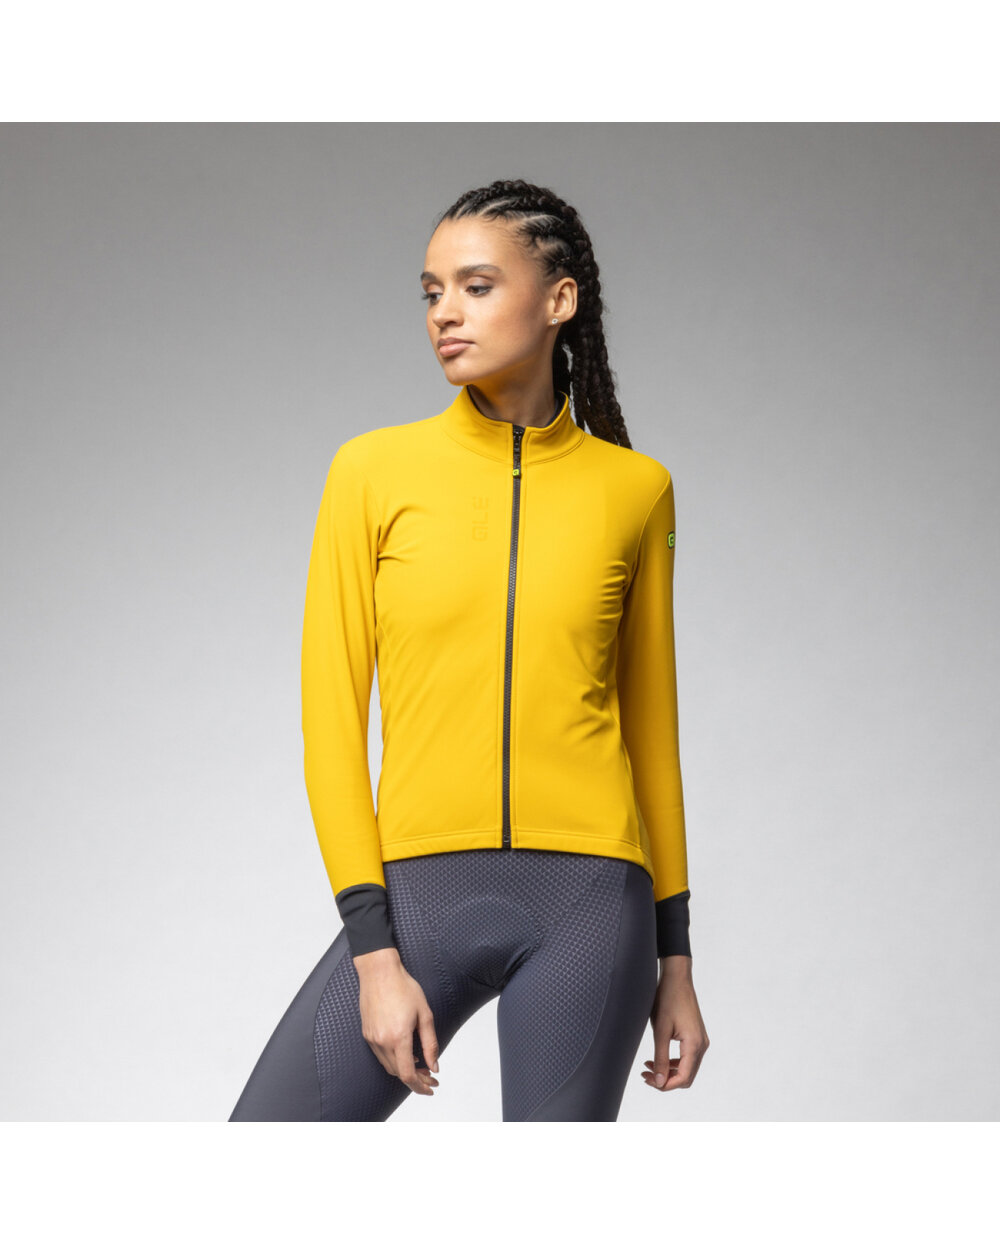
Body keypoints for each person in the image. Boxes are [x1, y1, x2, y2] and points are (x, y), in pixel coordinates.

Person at [228, 178, 710, 1123]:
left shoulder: (636, 490)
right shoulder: (372, 472)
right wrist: (373, 953)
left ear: (559, 299)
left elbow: (653, 736)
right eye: (431, 291)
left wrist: (677, 960)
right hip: (417, 896)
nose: (444, 312)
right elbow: (331, 726)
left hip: (591, 902)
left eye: (476, 286)